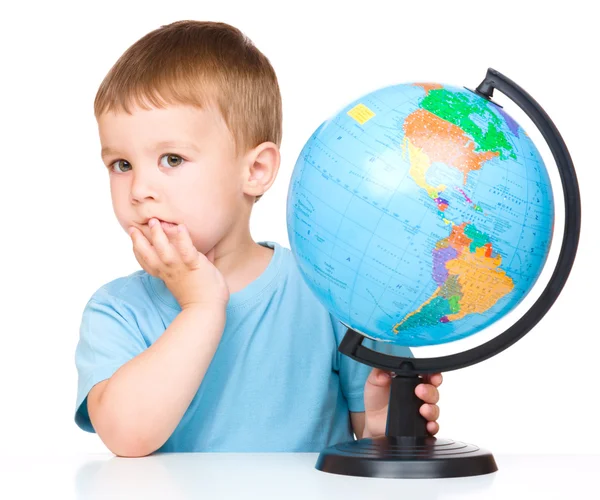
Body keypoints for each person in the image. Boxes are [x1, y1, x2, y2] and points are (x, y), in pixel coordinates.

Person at [74, 20, 443, 457]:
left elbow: (376, 442)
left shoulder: (327, 292)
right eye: (121, 164)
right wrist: (201, 306)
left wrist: (383, 423)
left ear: (255, 171)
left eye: (171, 158)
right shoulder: (117, 311)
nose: (139, 190)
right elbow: (127, 437)